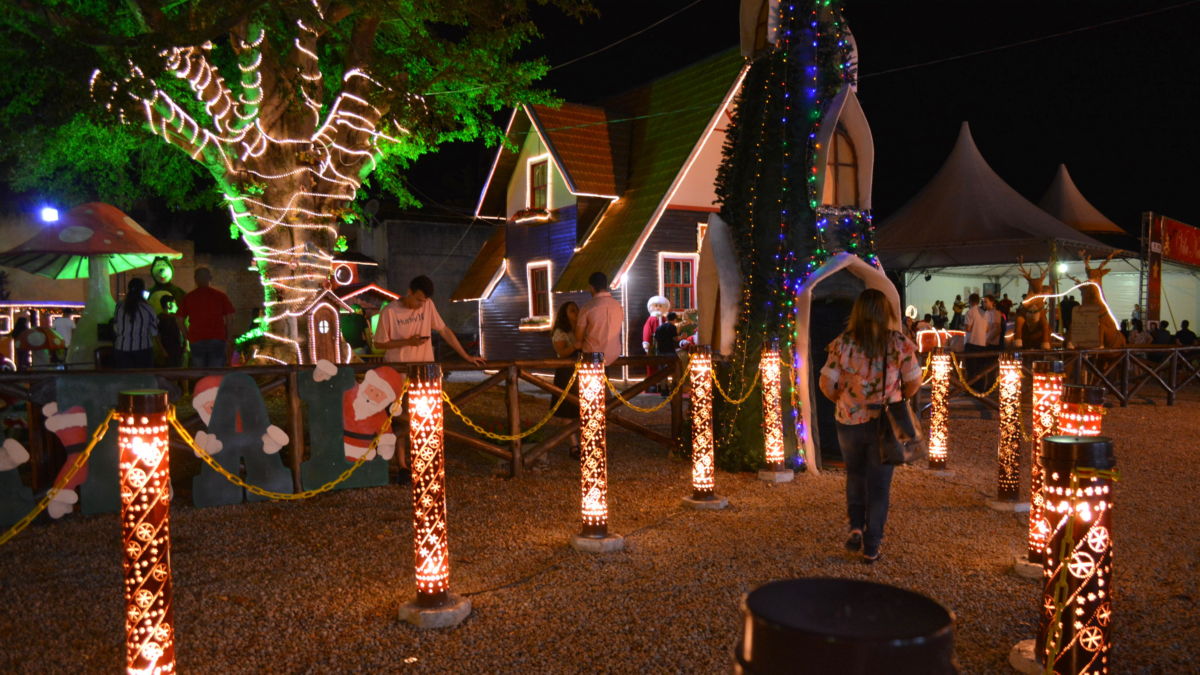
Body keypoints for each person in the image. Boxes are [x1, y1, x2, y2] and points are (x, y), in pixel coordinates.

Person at [819, 289, 920, 564]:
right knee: (879, 484)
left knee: (855, 474)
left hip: (849, 421)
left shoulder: (843, 343)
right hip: (885, 423)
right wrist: (900, 398)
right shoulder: (899, 343)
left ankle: (855, 526)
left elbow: (826, 383)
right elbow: (913, 381)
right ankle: (872, 545)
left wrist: (841, 398)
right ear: (886, 312)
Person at [373, 275, 484, 366]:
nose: (421, 305)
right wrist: (408, 342)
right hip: (398, 370)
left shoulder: (428, 304)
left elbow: (444, 330)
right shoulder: (389, 311)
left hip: (425, 369)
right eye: (418, 300)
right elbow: (378, 344)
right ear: (410, 292)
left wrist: (466, 356)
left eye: (424, 301)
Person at [181, 267, 236, 368]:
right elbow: (230, 318)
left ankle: (202, 384)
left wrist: (187, 336)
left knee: (199, 372)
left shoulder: (189, 297)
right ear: (210, 278)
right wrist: (229, 337)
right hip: (217, 338)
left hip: (196, 339)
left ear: (195, 279)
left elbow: (179, 319)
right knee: (216, 372)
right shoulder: (220, 296)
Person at [550, 301, 581, 458]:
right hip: (566, 373)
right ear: (564, 314)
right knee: (567, 410)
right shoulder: (560, 331)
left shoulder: (581, 330)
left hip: (581, 373)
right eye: (572, 311)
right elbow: (561, 352)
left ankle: (584, 442)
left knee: (580, 408)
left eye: (577, 310)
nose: (576, 313)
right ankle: (574, 445)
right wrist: (575, 346)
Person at [575, 272, 624, 367]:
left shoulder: (588, 307)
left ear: (591, 287)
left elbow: (578, 338)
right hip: (614, 354)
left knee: (590, 381)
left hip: (593, 356)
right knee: (605, 380)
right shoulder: (618, 306)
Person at [113, 278, 159, 369]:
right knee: (143, 379)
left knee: (125, 380)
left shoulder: (119, 306)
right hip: (143, 350)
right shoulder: (148, 308)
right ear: (142, 290)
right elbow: (154, 332)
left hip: (121, 349)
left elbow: (116, 328)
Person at [963, 293, 997, 386]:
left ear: (969, 301)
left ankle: (971, 389)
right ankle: (980, 388)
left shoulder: (969, 312)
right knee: (980, 369)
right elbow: (987, 329)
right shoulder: (985, 313)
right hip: (982, 344)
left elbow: (968, 328)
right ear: (978, 301)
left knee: (971, 369)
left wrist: (962, 327)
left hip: (971, 343)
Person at [157, 293, 185, 367]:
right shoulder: (163, 318)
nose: (176, 305)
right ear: (169, 305)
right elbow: (158, 335)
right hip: (171, 349)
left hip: (175, 349)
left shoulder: (160, 317)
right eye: (174, 303)